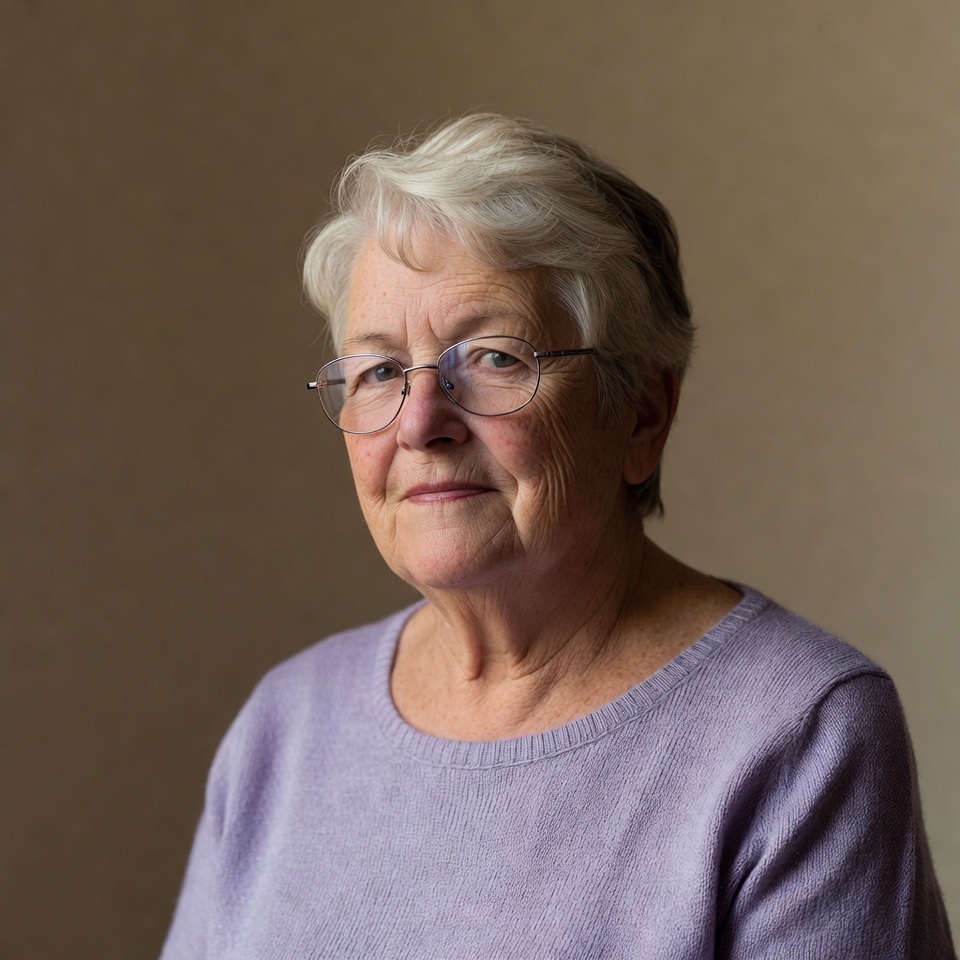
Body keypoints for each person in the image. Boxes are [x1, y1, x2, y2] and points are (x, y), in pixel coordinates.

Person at [160, 114, 955, 958]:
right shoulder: (287, 725)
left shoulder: (798, 733)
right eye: (382, 371)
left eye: (495, 357)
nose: (422, 422)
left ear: (642, 412)